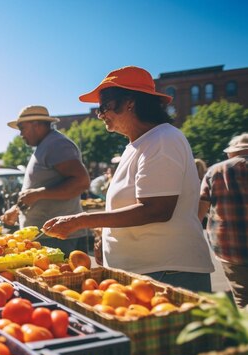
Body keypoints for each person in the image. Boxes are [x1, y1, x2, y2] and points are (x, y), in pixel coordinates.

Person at [43, 66, 214, 292]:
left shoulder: (162, 139)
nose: (100, 114)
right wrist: (103, 232)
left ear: (130, 102)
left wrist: (81, 221)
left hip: (168, 274)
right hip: (148, 272)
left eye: (104, 106)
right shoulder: (137, 144)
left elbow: (157, 209)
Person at [1, 105, 90, 255]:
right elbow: (38, 190)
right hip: (48, 237)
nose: (21, 134)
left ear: (36, 124)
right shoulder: (46, 145)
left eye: (22, 128)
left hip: (57, 238)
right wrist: (17, 209)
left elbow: (81, 182)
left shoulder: (56, 144)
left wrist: (38, 194)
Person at [199, 133, 248, 306]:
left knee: (242, 296)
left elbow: (200, 210)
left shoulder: (216, 170)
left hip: (230, 245)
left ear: (233, 152)